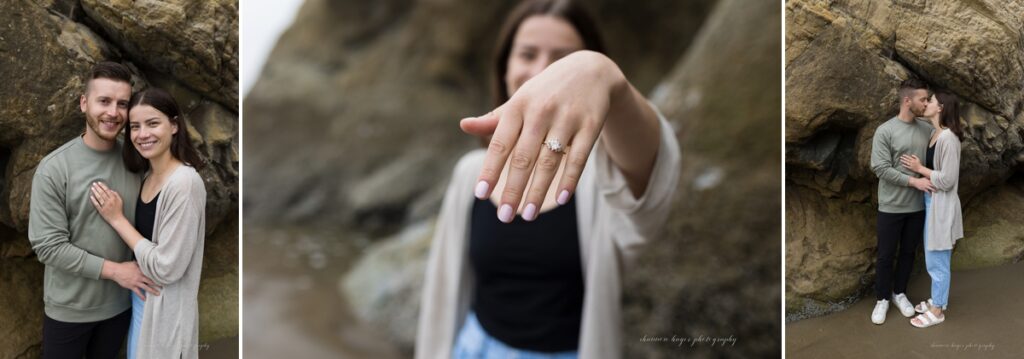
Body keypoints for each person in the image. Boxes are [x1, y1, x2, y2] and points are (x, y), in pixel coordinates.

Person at [415, 0, 681, 358]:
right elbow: (444, 291)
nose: (542, 71)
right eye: (527, 54)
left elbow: (654, 176)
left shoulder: (602, 181)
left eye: (563, 58)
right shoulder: (470, 173)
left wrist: (603, 75)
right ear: (505, 66)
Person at [28, 61, 159, 358]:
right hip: (69, 312)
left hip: (121, 307)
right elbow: (48, 247)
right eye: (104, 101)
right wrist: (116, 272)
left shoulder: (136, 160)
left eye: (122, 104)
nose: (113, 112)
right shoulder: (53, 169)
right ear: (84, 103)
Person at [89, 88, 207, 358]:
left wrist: (117, 219)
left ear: (174, 125)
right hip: (140, 303)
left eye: (153, 123)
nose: (142, 134)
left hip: (164, 314)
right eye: (135, 127)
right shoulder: (146, 176)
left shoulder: (184, 184)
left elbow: (167, 267)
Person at [869, 78, 935, 325]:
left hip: (918, 207)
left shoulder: (927, 130)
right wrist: (914, 181)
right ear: (908, 100)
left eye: (928, 100)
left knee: (908, 253)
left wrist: (925, 174)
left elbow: (938, 160)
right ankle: (882, 299)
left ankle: (900, 294)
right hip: (890, 206)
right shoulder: (885, 131)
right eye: (923, 99)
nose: (926, 103)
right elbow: (880, 168)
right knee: (886, 255)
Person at [899, 90, 963, 328]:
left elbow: (947, 180)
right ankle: (939, 300)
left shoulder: (949, 138)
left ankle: (937, 310)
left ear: (941, 107)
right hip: (933, 204)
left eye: (931, 101)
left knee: (938, 260)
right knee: (934, 256)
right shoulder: (936, 134)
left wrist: (920, 168)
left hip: (943, 207)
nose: (926, 104)